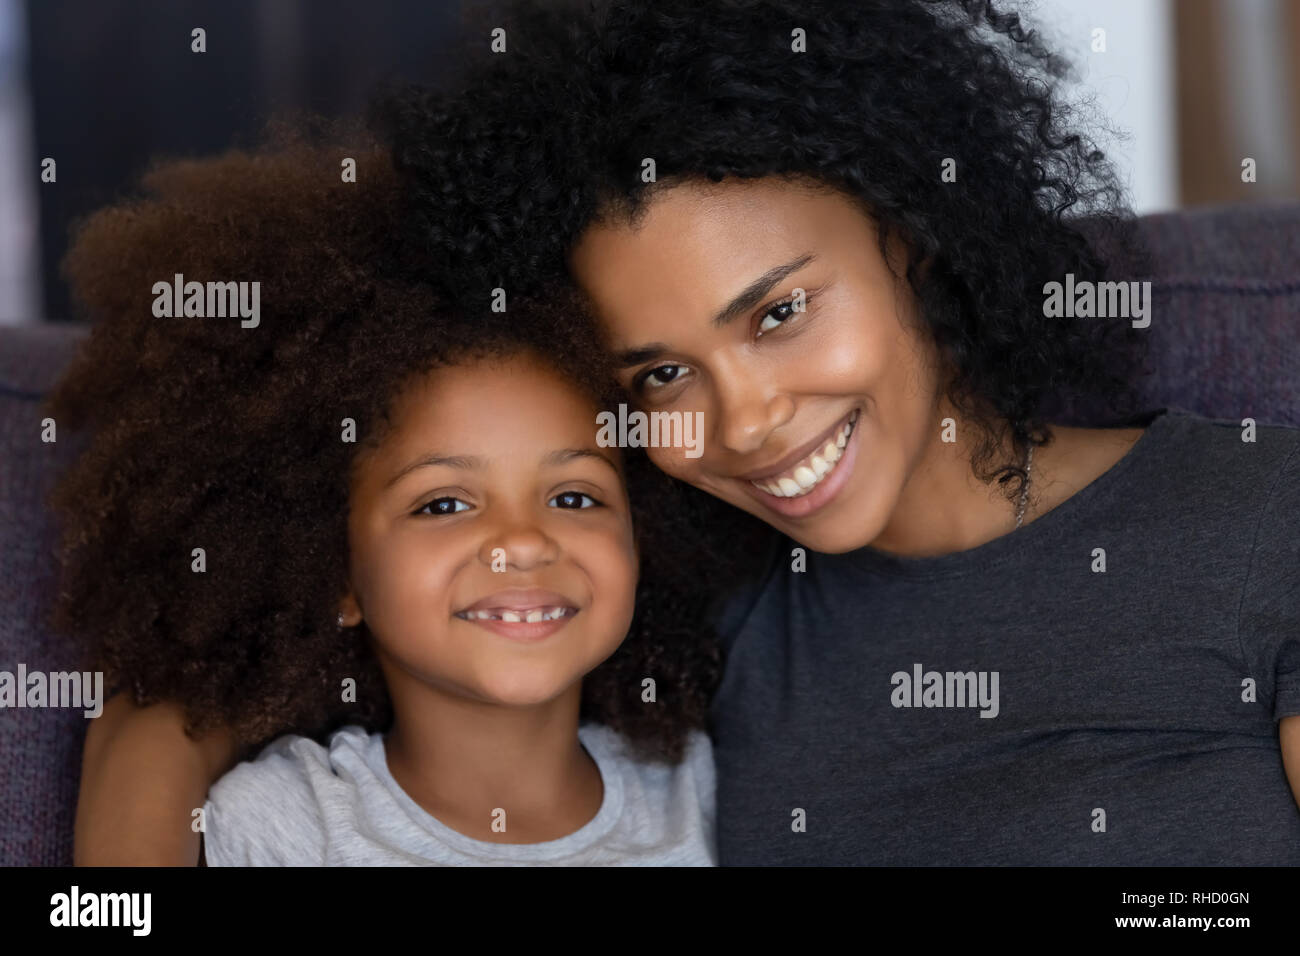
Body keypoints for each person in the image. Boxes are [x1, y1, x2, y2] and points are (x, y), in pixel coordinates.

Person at [78, 0, 1300, 864]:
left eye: (778, 310)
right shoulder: (692, 600)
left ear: (910, 234)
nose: (749, 421)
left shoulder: (1257, 519)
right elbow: (192, 685)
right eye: (662, 371)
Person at [53, 134, 731, 865]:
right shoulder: (280, 821)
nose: (525, 541)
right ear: (336, 573)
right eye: (442, 503)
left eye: (574, 495)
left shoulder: (695, 789)